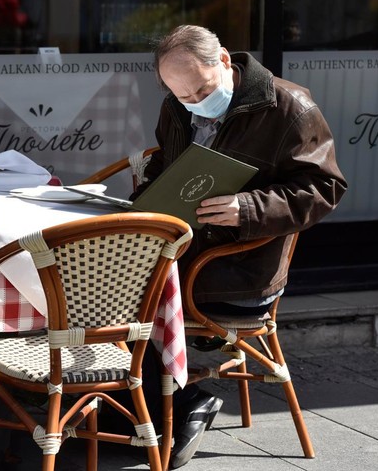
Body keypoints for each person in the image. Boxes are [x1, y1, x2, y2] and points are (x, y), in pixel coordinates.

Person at [133, 24, 347, 468]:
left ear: (225, 61)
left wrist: (247, 208)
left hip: (238, 266)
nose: (194, 103)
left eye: (202, 90)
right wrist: (144, 202)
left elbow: (324, 188)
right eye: (182, 96)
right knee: (97, 283)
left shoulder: (290, 107)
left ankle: (167, 409)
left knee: (129, 299)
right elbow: (167, 168)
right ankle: (145, 409)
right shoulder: (176, 107)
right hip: (181, 252)